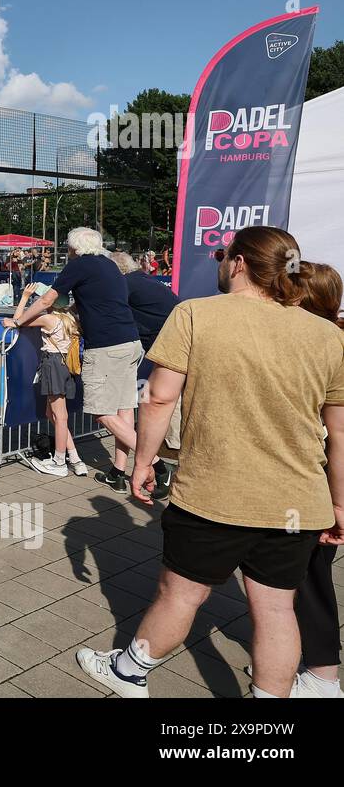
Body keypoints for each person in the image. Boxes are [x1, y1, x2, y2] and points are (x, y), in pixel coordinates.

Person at [77, 227, 344, 699]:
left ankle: (128, 670)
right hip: (298, 502)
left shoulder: (196, 314)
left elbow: (158, 399)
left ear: (238, 263)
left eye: (223, 254)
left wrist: (143, 463)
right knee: (278, 610)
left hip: (213, 494)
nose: (218, 262)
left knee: (181, 595)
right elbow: (339, 433)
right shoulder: (326, 333)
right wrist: (339, 505)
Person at [6, 228, 150, 493]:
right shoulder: (108, 265)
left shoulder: (79, 265)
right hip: (130, 341)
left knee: (102, 413)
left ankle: (149, 462)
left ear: (73, 248)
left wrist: (19, 320)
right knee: (124, 408)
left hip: (107, 346)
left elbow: (48, 298)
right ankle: (120, 471)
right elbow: (90, 302)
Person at [288, 262, 344, 697]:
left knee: (308, 574)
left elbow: (337, 433)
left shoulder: (323, 346)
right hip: (317, 475)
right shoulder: (330, 339)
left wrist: (337, 504)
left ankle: (322, 676)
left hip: (316, 477)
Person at [111, 249, 182, 496]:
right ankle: (127, 469)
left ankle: (165, 466)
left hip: (165, 348)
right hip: (173, 343)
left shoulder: (125, 286)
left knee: (157, 403)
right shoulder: (143, 281)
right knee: (161, 404)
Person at [10, 283, 86, 478]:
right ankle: (76, 459)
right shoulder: (70, 318)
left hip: (53, 365)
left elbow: (17, 320)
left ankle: (59, 461)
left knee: (60, 416)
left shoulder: (48, 319)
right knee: (51, 413)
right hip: (66, 366)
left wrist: (26, 297)